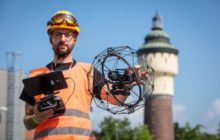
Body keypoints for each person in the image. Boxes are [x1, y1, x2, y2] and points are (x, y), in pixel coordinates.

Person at [20, 10, 146, 140]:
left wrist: (126, 85)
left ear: (74, 39)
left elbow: (116, 99)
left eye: (67, 35)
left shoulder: (87, 71)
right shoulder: (36, 76)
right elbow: (27, 122)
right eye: (58, 34)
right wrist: (35, 118)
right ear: (51, 39)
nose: (63, 39)